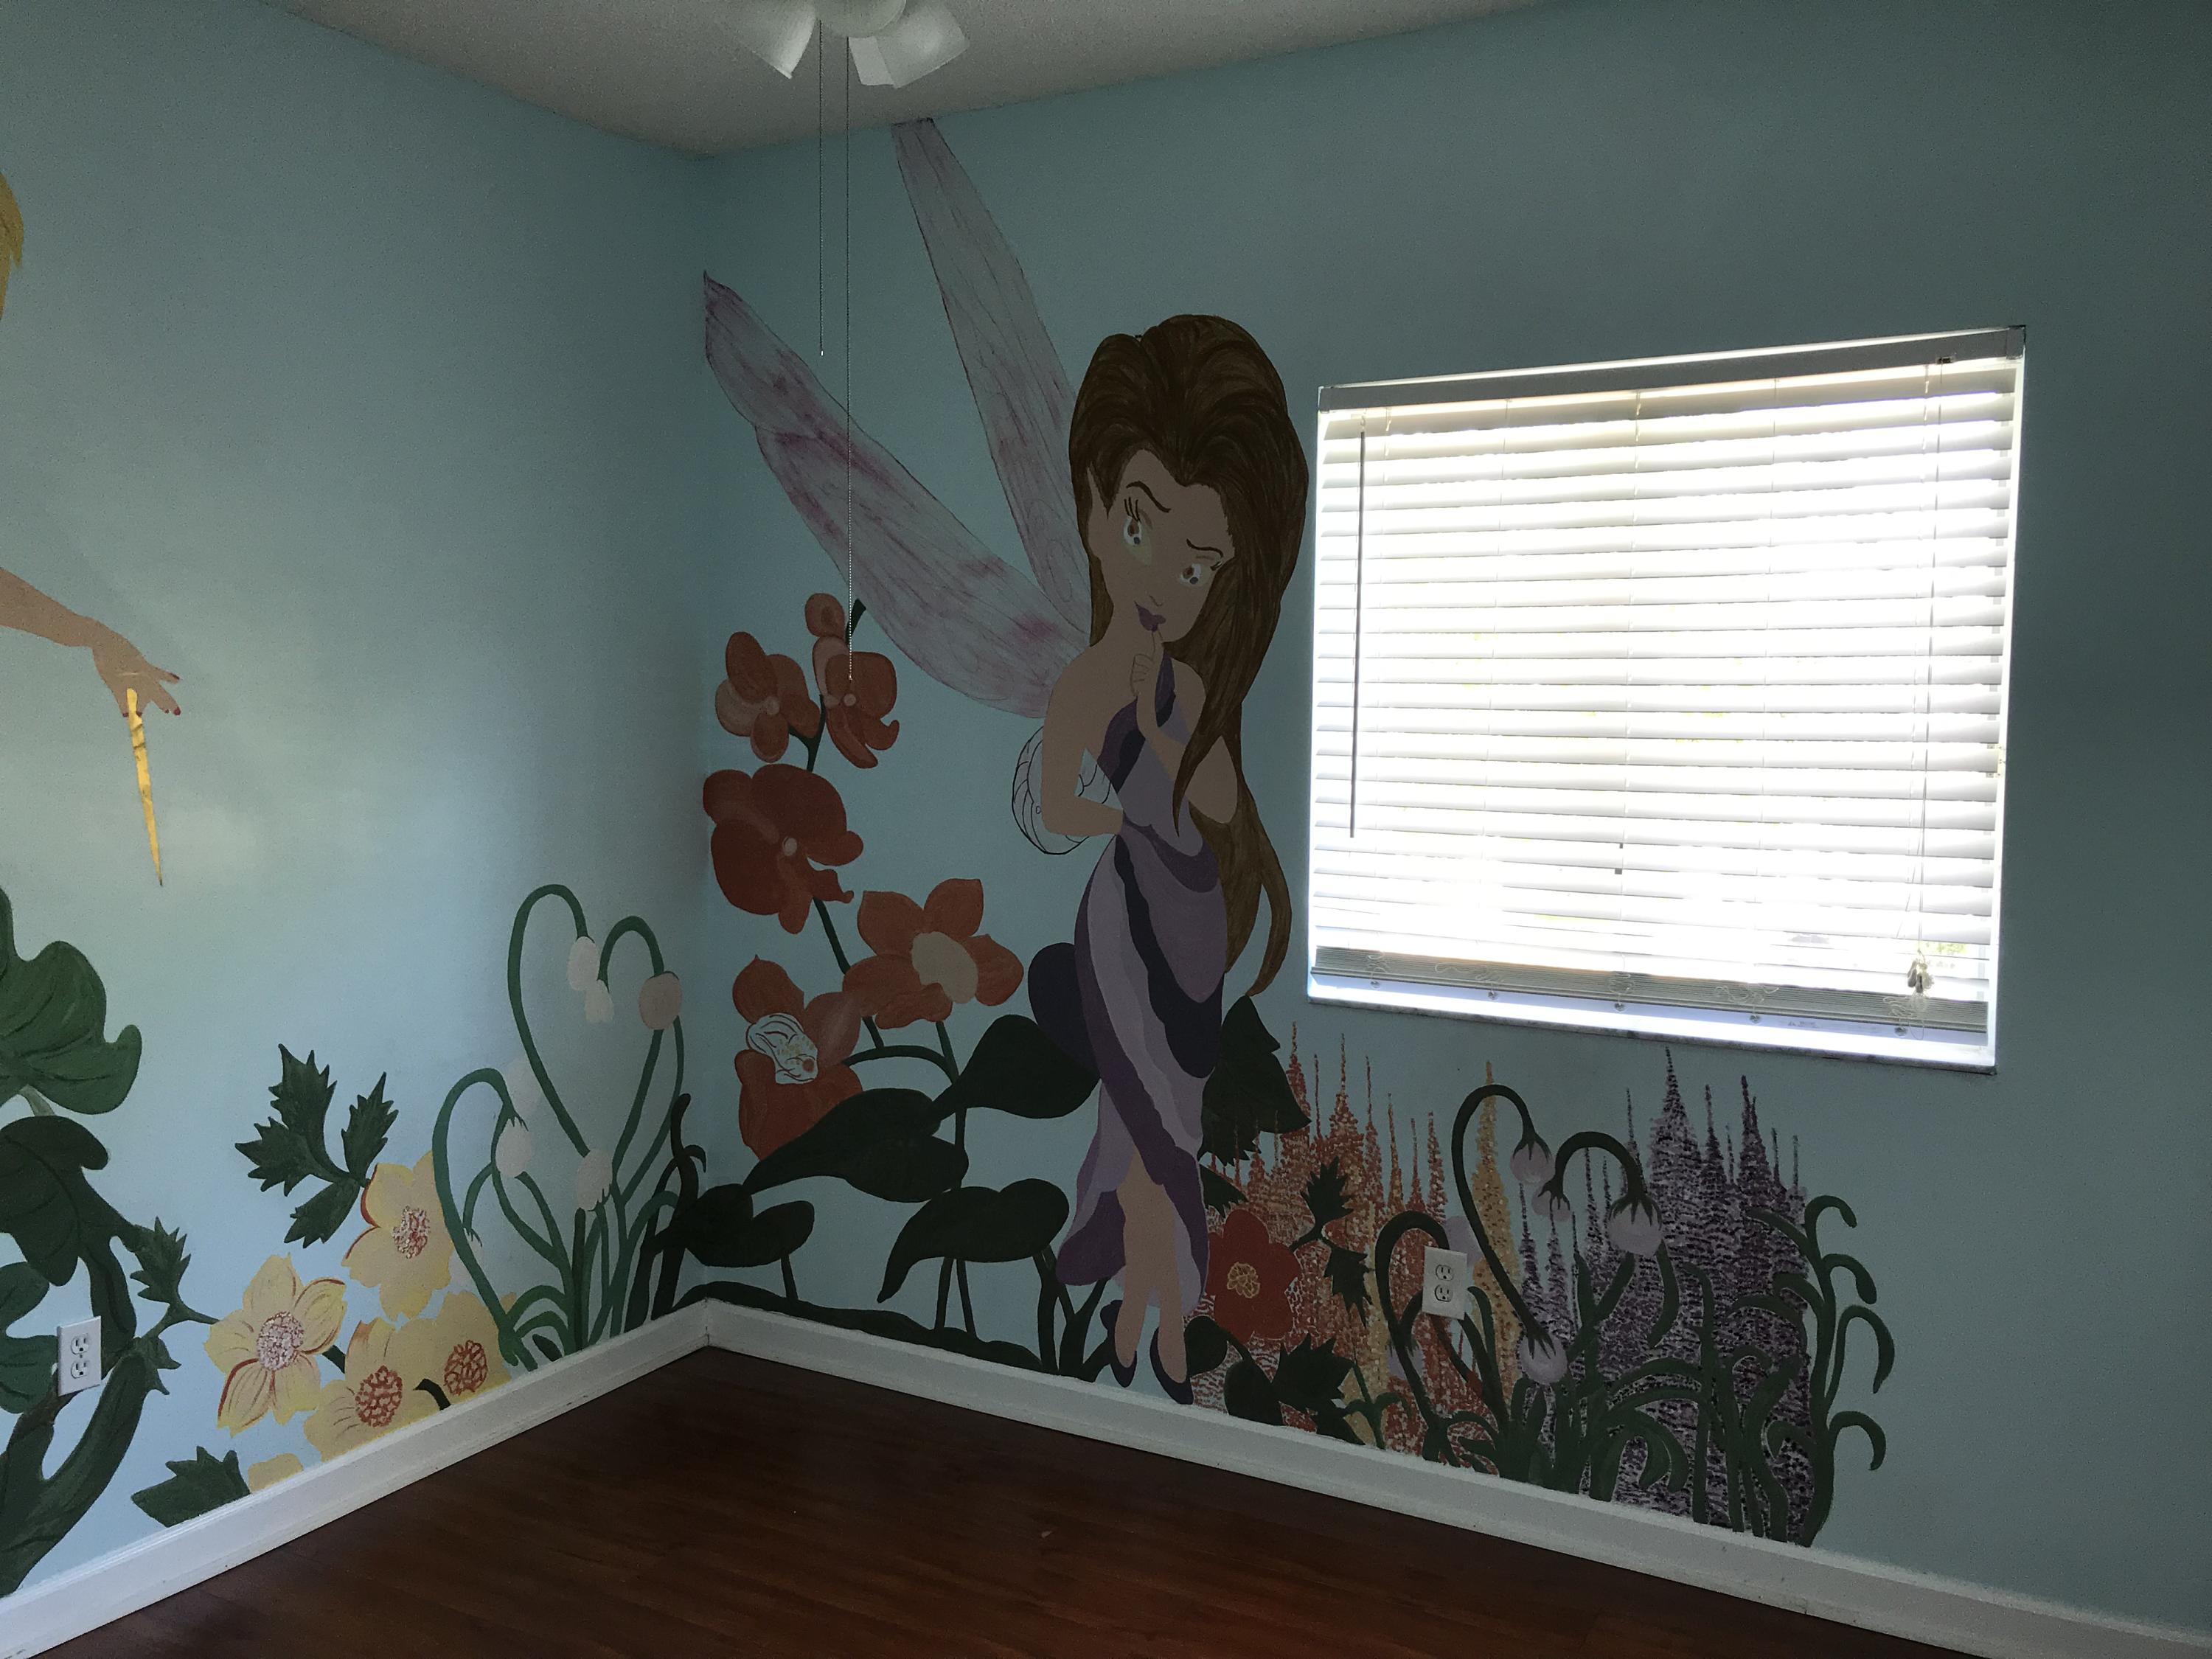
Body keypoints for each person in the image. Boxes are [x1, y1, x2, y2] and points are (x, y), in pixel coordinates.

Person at [1030, 315, 1306, 1398]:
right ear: (1097, 506)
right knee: (1147, 1115)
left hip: (1196, 913)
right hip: (1124, 909)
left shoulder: (1189, 685)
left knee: (1167, 1107)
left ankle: (1148, 1271)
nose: (1165, 580)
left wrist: (1171, 757)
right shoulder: (1086, 684)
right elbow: (1058, 800)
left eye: (1198, 563)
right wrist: (1126, 826)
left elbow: (1219, 797)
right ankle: (1155, 1282)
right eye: (1141, 526)